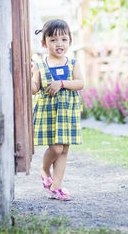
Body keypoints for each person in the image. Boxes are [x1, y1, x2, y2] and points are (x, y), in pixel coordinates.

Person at [31, 19, 84, 201]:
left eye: (63, 39)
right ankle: (44, 169)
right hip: (48, 114)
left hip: (67, 112)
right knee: (55, 148)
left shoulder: (73, 63)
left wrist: (62, 83)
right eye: (53, 40)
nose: (59, 44)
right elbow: (33, 89)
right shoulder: (40, 65)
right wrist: (28, 75)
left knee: (64, 150)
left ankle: (57, 186)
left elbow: (80, 83)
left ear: (70, 41)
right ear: (44, 43)